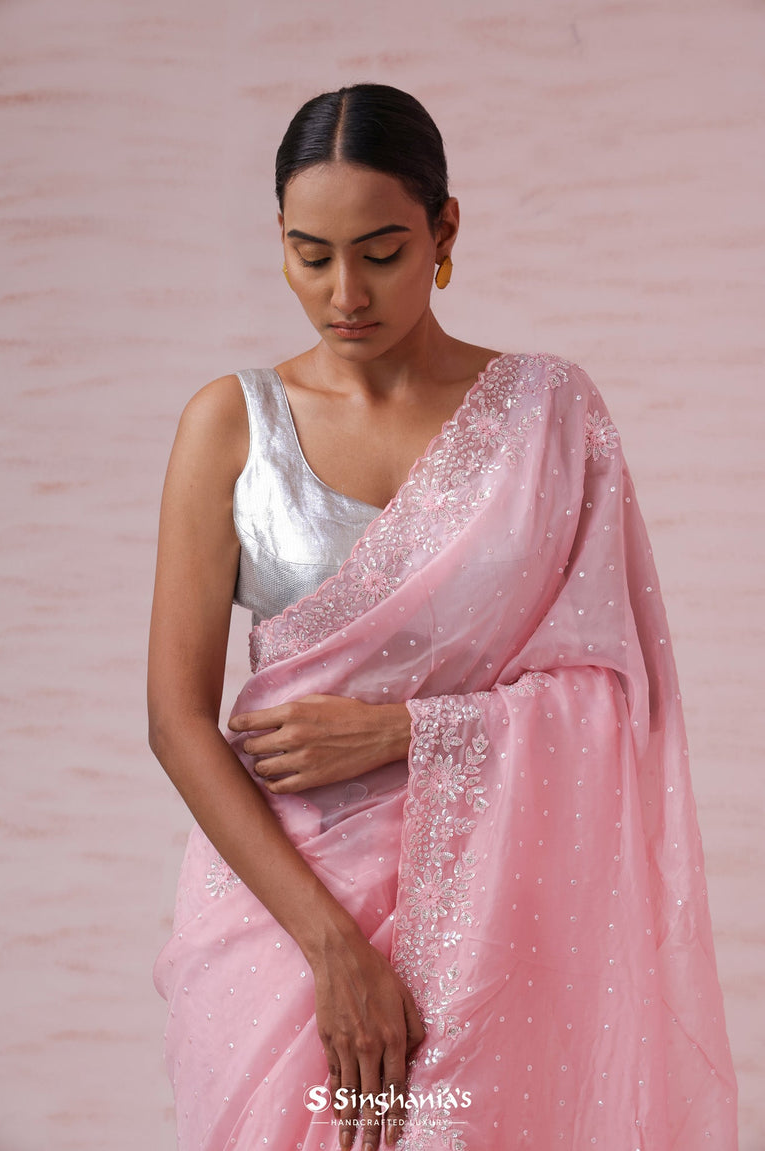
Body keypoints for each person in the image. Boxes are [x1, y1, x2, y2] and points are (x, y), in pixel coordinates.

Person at [149, 84, 738, 1151]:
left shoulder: (547, 414)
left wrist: (406, 732)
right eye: (309, 255)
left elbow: (618, 692)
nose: (343, 294)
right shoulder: (230, 426)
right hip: (278, 913)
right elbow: (177, 720)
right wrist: (332, 948)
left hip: (495, 916)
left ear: (444, 231)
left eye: (380, 252)